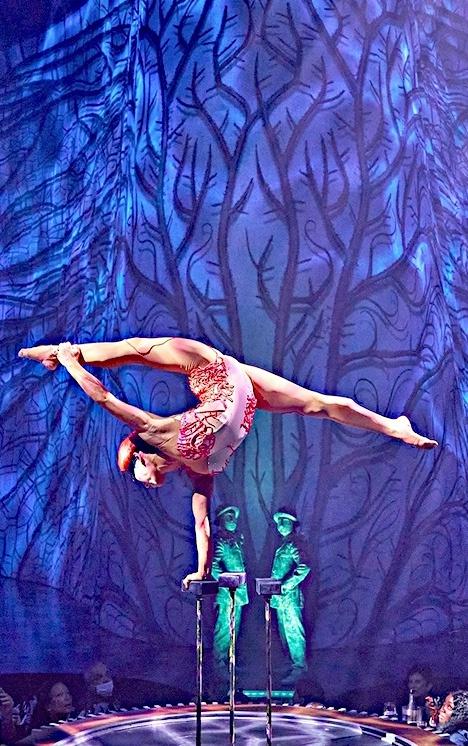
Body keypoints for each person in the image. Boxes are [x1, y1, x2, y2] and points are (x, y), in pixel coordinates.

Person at [18, 336, 438, 587]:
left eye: (136, 472)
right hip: (247, 390)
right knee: (317, 405)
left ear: (143, 455)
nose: (141, 481)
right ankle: (393, 427)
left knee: (135, 351)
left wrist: (70, 364)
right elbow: (202, 525)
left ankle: (59, 351)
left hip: (210, 368)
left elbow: (104, 398)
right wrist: (202, 571)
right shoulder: (198, 474)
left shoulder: (156, 432)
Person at [270, 507, 311, 684]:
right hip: (280, 598)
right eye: (279, 522)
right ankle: (291, 664)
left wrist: (286, 585)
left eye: (285, 521)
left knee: (294, 633)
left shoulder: (295, 543)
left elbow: (304, 566)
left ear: (293, 524)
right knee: (284, 633)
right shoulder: (284, 543)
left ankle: (299, 667)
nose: (280, 525)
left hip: (290, 597)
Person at [211, 504, 248, 681]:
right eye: (228, 517)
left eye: (234, 517)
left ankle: (229, 662)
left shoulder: (236, 539)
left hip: (238, 592)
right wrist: (228, 582)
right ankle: (218, 664)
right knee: (224, 631)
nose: (233, 521)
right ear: (220, 521)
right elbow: (213, 566)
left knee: (234, 628)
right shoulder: (220, 541)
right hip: (227, 594)